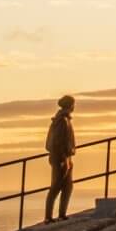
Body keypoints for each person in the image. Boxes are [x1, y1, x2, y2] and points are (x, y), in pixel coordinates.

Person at [43, 94, 77, 222]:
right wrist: (63, 158)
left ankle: (62, 214)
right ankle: (48, 217)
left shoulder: (63, 119)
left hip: (66, 157)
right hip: (61, 157)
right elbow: (58, 141)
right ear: (70, 105)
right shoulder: (62, 120)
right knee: (56, 186)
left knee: (67, 186)